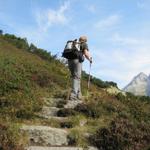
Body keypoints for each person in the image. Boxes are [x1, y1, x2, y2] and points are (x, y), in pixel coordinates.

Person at [68, 36, 92, 100]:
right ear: (85, 40)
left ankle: (79, 94)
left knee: (75, 77)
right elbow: (85, 53)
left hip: (69, 60)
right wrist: (90, 59)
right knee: (77, 77)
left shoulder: (74, 43)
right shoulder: (84, 44)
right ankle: (73, 95)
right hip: (77, 61)